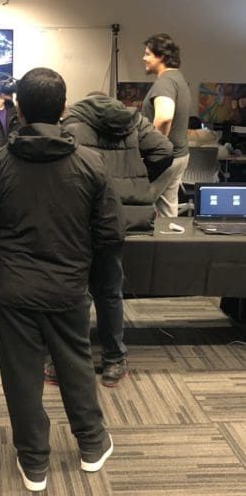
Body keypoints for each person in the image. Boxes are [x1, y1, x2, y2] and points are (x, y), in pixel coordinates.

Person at [0, 68, 124, 491]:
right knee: (76, 366)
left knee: (20, 376)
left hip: (13, 289)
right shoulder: (91, 163)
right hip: (69, 287)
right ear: (64, 108)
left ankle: (34, 463)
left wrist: (3, 243)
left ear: (19, 108)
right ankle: (91, 444)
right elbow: (110, 235)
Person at [61, 92, 174, 386]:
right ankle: (114, 359)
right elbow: (164, 151)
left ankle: (70, 360)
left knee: (76, 289)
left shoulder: (73, 121)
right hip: (119, 215)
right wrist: (136, 180)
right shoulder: (134, 120)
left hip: (78, 212)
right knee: (110, 289)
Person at [142, 33, 191, 217]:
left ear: (161, 56)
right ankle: (170, 243)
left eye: (148, 54)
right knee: (167, 210)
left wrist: (153, 150)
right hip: (179, 156)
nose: (144, 58)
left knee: (138, 203)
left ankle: (137, 246)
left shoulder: (165, 82)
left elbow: (164, 117)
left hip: (165, 159)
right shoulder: (178, 78)